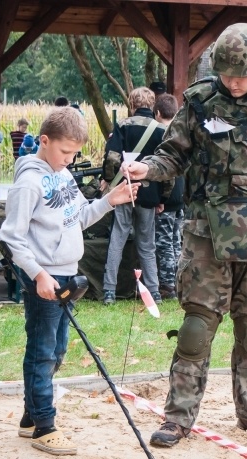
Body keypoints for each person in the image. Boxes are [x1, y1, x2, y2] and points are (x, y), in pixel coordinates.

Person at [123, 23, 247, 447]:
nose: (233, 81)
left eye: (241, 75)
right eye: (227, 73)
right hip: (207, 230)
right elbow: (173, 154)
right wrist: (146, 169)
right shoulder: (198, 101)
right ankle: (177, 418)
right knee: (196, 328)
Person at [0, 106, 140, 456]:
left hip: (67, 271)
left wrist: (109, 201)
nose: (69, 159)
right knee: (43, 350)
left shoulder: (63, 175)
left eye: (75, 153)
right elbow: (12, 238)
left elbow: (78, 217)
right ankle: (45, 425)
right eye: (64, 152)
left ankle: (31, 417)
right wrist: (38, 275)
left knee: (57, 349)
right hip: (44, 276)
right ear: (44, 141)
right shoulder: (29, 182)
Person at [99, 87, 167, 305]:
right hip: (149, 193)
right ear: (152, 105)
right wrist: (162, 197)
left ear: (132, 104)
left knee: (117, 239)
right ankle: (154, 291)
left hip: (124, 190)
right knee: (147, 244)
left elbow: (112, 157)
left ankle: (109, 290)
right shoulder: (160, 130)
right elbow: (167, 167)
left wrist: (109, 180)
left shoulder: (122, 126)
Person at [152, 94, 184, 300]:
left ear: (157, 113)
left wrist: (161, 199)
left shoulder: (164, 135)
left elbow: (167, 174)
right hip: (181, 198)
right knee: (177, 243)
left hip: (168, 200)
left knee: (164, 244)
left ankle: (168, 285)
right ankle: (180, 281)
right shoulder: (182, 133)